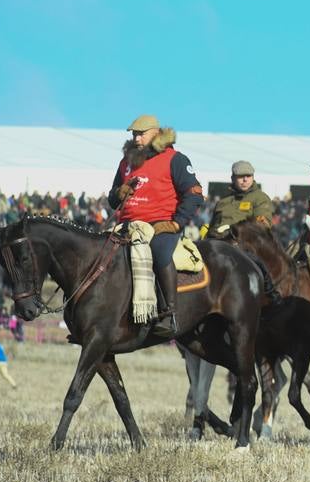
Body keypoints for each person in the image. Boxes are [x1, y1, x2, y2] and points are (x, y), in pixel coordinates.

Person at [108, 115, 204, 337]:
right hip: (128, 225)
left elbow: (195, 193)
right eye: (134, 134)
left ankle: (169, 313)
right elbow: (112, 199)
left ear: (155, 133)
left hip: (161, 225)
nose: (136, 137)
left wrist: (176, 223)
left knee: (159, 253)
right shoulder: (126, 162)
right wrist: (119, 192)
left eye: (141, 133)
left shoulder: (175, 159)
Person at [207, 160, 275, 238]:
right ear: (233, 178)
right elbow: (212, 225)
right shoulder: (223, 201)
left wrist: (233, 231)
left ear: (253, 177)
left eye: (248, 176)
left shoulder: (260, 198)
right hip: (217, 241)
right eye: (241, 176)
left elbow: (262, 226)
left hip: (245, 243)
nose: (245, 179)